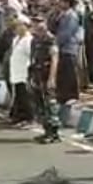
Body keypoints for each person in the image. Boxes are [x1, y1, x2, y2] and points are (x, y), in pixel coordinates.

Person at [28, 15, 61, 143]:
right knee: (39, 104)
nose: (37, 25)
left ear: (45, 23)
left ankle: (54, 133)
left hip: (47, 74)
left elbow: (54, 58)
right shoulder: (35, 40)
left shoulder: (50, 39)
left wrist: (52, 78)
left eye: (40, 22)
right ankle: (46, 130)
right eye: (34, 22)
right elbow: (32, 59)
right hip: (37, 74)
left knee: (50, 104)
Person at [8, 15, 33, 125]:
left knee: (25, 96)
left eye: (19, 26)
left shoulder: (28, 40)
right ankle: (19, 116)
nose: (16, 28)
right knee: (18, 95)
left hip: (24, 72)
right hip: (16, 71)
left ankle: (27, 118)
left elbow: (31, 56)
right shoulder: (16, 39)